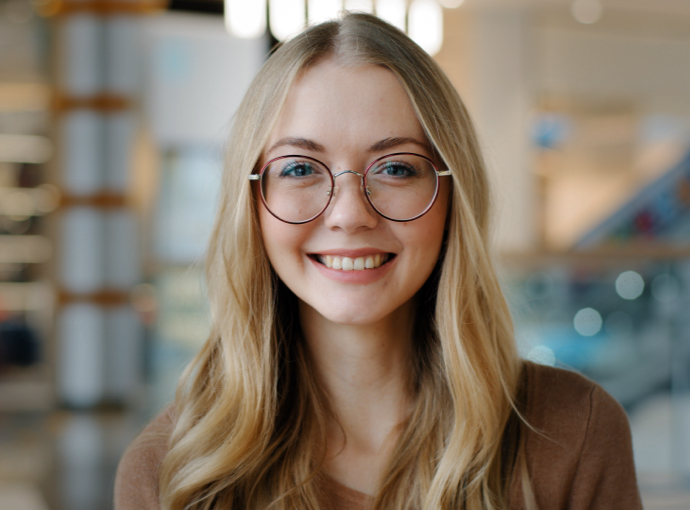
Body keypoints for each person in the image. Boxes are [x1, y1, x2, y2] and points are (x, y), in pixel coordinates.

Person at [115, 12, 642, 510]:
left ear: (452, 196)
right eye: (300, 168)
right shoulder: (170, 468)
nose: (349, 214)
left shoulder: (575, 433)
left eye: (395, 168)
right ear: (251, 202)